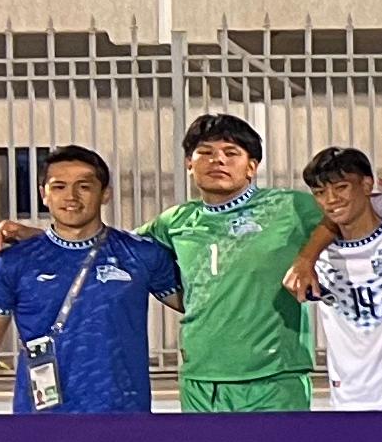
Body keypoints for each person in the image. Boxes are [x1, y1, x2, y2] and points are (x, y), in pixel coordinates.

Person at [0, 144, 175, 416]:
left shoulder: (141, 254)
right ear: (43, 194)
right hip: (40, 419)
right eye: (58, 187)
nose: (71, 196)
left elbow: (195, 305)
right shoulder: (13, 262)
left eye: (84, 186)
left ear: (105, 194)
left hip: (124, 414)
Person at [139, 112, 325, 413]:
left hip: (274, 379)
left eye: (231, 153)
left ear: (252, 166)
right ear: (189, 163)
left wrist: (307, 258)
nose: (218, 161)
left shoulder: (291, 207)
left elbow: (346, 217)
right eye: (206, 153)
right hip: (200, 380)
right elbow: (121, 251)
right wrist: (173, 294)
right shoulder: (175, 221)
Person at [300, 146, 382, 413]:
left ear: (366, 184)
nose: (331, 200)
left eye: (340, 187)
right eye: (320, 193)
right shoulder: (319, 255)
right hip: (346, 402)